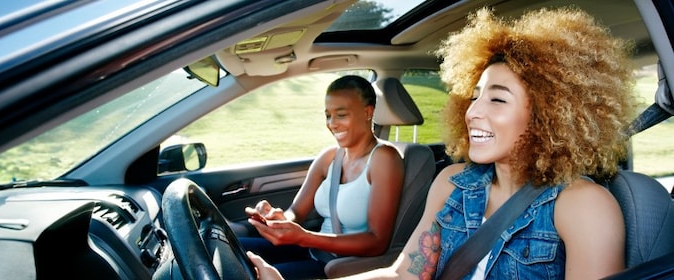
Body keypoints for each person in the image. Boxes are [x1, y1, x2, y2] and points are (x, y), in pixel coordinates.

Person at [250, 7, 635, 279]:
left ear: (551, 115)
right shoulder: (452, 182)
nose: (473, 112)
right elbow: (403, 275)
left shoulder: (583, 206)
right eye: (475, 95)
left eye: (497, 99)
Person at [242, 75, 405, 279]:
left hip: (341, 266)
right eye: (328, 115)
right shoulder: (328, 157)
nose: (332, 124)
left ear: (367, 112)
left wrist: (305, 237)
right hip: (312, 250)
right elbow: (296, 212)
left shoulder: (384, 158)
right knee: (232, 247)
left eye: (341, 115)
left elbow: (377, 243)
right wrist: (277, 218)